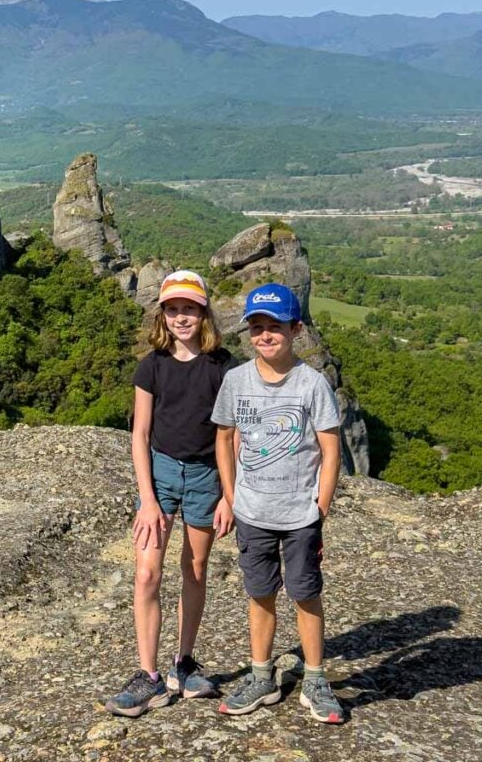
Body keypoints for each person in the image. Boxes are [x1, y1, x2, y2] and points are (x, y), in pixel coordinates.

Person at [105, 270, 236, 718]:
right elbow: (139, 434)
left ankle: (184, 663)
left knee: (195, 569)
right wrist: (147, 498)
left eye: (190, 308)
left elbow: (229, 435)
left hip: (205, 476)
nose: (182, 317)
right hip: (160, 473)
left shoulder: (223, 367)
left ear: (204, 313)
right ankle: (149, 676)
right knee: (146, 574)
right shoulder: (152, 366)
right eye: (174, 309)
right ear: (163, 314)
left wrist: (229, 496)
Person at [212, 282, 344, 724]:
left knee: (306, 594)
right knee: (260, 592)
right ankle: (262, 675)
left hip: (299, 514)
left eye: (275, 327)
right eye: (257, 327)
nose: (265, 336)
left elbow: (330, 450)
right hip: (253, 512)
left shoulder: (312, 383)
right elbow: (225, 438)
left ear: (296, 329)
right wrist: (231, 497)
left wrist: (319, 508)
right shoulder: (236, 380)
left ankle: (316, 679)